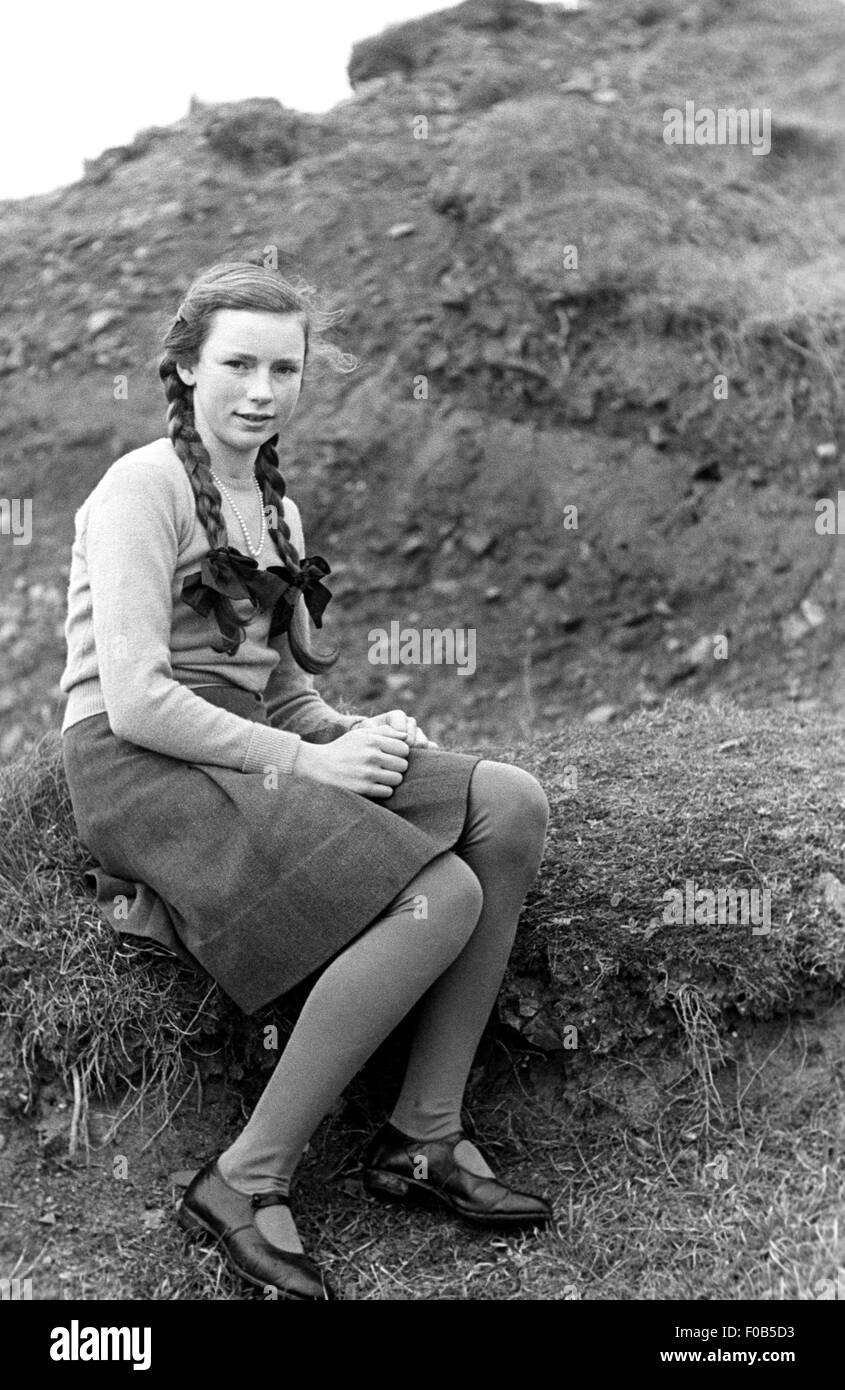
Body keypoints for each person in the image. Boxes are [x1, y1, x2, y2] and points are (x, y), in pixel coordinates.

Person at [59, 259, 552, 1302]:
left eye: (284, 369)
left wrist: (352, 733)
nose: (261, 390)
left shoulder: (276, 510)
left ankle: (422, 1134)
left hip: (247, 750)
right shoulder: (139, 488)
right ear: (186, 366)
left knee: (508, 803)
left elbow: (282, 693)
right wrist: (309, 762)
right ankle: (245, 1175)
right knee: (440, 892)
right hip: (140, 767)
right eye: (237, 363)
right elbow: (141, 701)